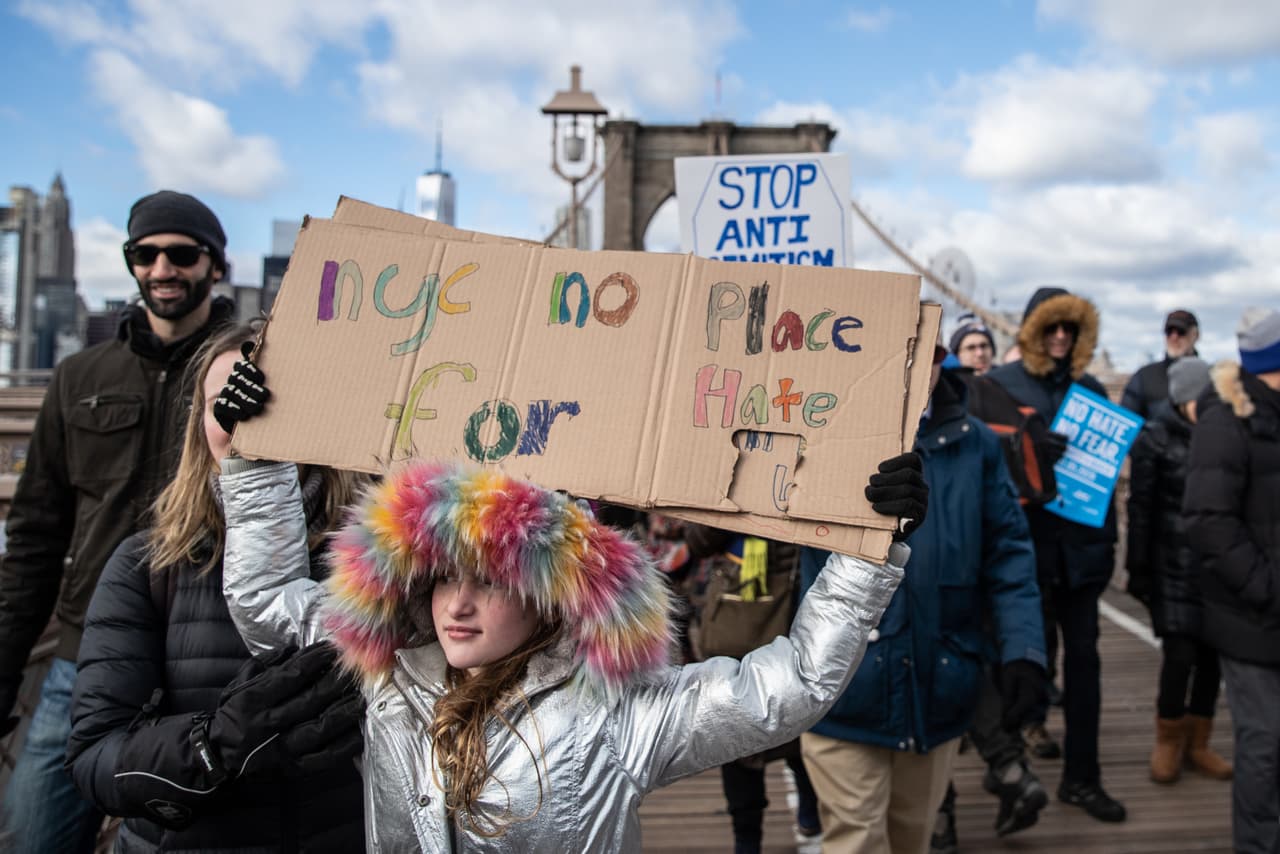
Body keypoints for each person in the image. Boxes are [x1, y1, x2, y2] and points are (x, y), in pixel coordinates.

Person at [209, 352, 924, 851]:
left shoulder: (619, 714)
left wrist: (865, 553)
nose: (456, 606)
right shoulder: (386, 677)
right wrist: (254, 458)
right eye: (442, 580)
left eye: (491, 582)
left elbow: (794, 685)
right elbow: (267, 599)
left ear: (550, 597)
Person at [65, 323, 367, 851]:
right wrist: (214, 745)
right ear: (197, 424)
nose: (242, 419)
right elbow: (95, 757)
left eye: (264, 399)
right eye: (224, 404)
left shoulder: (376, 562)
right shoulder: (147, 566)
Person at [0, 190, 235, 852]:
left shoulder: (252, 373)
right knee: (32, 831)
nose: (163, 268)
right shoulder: (78, 377)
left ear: (216, 267)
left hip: (204, 652)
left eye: (183, 254)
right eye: (146, 254)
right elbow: (36, 535)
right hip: (81, 653)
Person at [799, 342, 1047, 854]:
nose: (912, 365)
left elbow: (1008, 553)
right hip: (844, 683)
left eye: (927, 349)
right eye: (898, 348)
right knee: (855, 842)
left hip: (939, 684)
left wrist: (1025, 650)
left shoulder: (975, 443)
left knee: (913, 836)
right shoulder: (820, 433)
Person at [986, 287, 1126, 822]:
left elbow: (1106, 480)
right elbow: (986, 466)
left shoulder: (1091, 389)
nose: (1061, 337)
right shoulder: (998, 387)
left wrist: (1109, 545)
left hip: (1082, 559)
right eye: (1052, 328)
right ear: (1033, 331)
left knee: (1086, 669)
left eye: (1070, 328)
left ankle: (1083, 779)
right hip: (1023, 556)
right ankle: (1009, 774)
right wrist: (1027, 453)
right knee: (1018, 668)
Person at [1183, 306, 1280, 854]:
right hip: (1253, 618)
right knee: (1264, 745)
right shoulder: (1227, 420)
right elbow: (1207, 520)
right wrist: (1268, 587)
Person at [683, 524, 822, 853]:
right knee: (735, 736)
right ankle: (748, 837)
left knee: (803, 728)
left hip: (798, 614)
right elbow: (698, 542)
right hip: (739, 622)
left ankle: (809, 809)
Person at [1126, 356, 1232, 785]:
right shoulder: (1154, 438)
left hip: (1216, 568)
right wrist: (1139, 568)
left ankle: (1199, 742)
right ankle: (1168, 740)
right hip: (1171, 565)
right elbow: (1140, 508)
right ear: (1183, 398)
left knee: (1211, 658)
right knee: (1180, 655)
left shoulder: (1223, 433)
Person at [1120, 309, 1200, 420]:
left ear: (1195, 335)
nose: (1174, 337)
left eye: (1181, 332)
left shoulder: (1209, 379)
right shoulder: (1144, 377)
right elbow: (1126, 422)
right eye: (1169, 331)